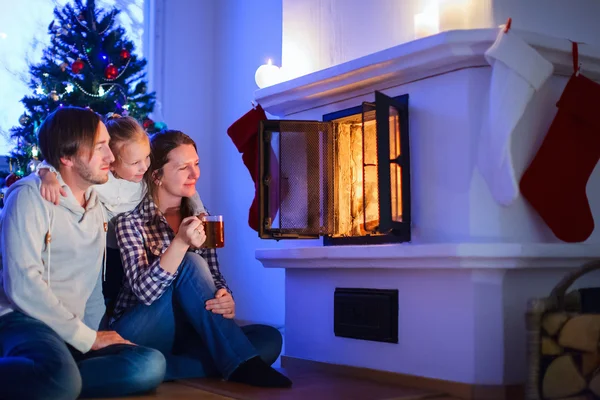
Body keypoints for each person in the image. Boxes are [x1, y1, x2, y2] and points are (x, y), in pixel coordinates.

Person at [0, 107, 166, 400]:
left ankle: (57, 382)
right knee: (61, 378)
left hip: (73, 328)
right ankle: (58, 380)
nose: (111, 157)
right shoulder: (29, 197)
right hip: (24, 321)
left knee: (150, 364)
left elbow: (90, 289)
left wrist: (95, 336)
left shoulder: (95, 206)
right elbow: (22, 284)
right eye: (100, 147)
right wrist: (88, 339)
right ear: (67, 157)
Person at [110, 129, 292, 387]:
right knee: (191, 262)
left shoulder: (201, 217)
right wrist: (180, 243)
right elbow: (144, 293)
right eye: (183, 167)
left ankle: (164, 367)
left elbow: (214, 275)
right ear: (157, 175)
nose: (195, 174)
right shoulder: (131, 222)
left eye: (196, 164)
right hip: (140, 329)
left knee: (268, 338)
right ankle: (238, 363)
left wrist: (224, 298)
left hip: (186, 332)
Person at [39, 115, 207, 316]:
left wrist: (199, 211)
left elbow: (190, 191)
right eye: (135, 162)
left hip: (127, 247)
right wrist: (47, 175)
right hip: (105, 250)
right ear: (111, 162)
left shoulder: (145, 178)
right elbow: (61, 165)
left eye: (147, 158)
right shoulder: (100, 180)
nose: (144, 167)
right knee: (108, 291)